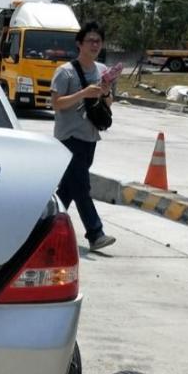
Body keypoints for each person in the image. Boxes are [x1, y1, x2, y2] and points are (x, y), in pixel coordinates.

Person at [50, 21, 116, 251]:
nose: (95, 45)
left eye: (98, 41)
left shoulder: (101, 71)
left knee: (68, 188)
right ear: (79, 44)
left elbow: (108, 103)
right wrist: (83, 93)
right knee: (81, 187)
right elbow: (57, 104)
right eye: (90, 40)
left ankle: (44, 227)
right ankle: (95, 233)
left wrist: (106, 93)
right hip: (69, 137)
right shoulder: (65, 72)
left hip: (90, 137)